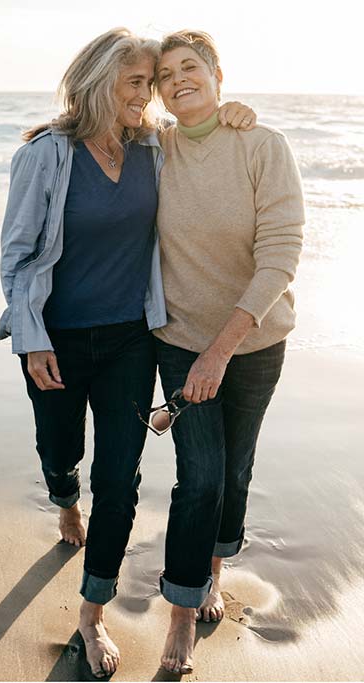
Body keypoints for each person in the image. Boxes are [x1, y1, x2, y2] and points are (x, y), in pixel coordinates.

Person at [0, 27, 256, 678]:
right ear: (98, 82)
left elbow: (203, 138)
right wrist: (30, 338)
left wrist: (230, 111)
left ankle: (92, 612)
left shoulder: (152, 147)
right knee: (60, 451)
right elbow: (18, 255)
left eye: (150, 83)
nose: (148, 96)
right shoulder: (46, 155)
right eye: (135, 83)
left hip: (131, 340)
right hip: (54, 338)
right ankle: (64, 499)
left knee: (119, 481)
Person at [150, 30, 305, 674]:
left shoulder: (262, 145)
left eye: (190, 67)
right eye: (165, 75)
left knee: (235, 471)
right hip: (180, 340)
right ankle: (182, 612)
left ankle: (213, 571)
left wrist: (223, 349)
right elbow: (100, 125)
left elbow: (281, 253)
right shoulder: (154, 149)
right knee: (202, 477)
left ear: (217, 74)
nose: (178, 80)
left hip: (255, 342)